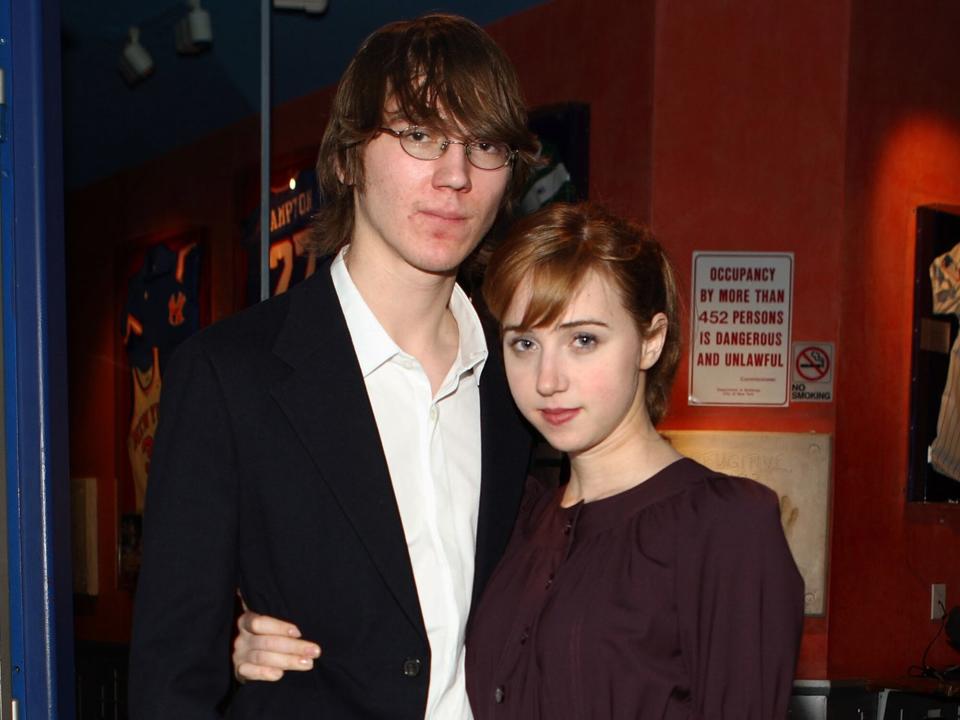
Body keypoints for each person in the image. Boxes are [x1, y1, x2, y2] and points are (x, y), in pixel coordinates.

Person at [235, 202, 806, 719]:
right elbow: (401, 623)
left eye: (584, 340)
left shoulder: (725, 526)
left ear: (651, 340)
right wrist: (260, 638)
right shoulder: (513, 514)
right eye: (524, 344)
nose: (548, 380)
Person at [128, 14, 540, 720]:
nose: (456, 176)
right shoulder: (230, 376)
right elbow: (171, 680)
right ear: (348, 158)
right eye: (419, 136)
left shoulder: (523, 379)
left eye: (485, 145)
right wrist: (234, 656)